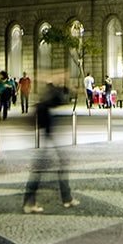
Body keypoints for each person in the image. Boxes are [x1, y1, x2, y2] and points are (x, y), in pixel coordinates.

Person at [24, 79, 79, 212]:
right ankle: (29, 202)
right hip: (49, 141)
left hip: (50, 140)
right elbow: (61, 99)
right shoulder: (48, 101)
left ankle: (66, 198)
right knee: (41, 170)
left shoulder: (45, 101)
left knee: (53, 167)